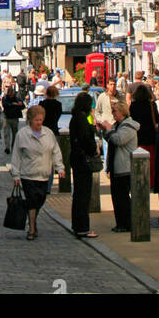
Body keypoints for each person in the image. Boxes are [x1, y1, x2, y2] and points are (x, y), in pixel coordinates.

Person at [10, 102, 64, 240]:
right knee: (32, 200)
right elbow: (16, 155)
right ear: (30, 120)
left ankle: (32, 220)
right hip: (28, 174)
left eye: (41, 120)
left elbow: (55, 151)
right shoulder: (22, 134)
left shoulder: (48, 133)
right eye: (36, 120)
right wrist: (15, 174)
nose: (39, 123)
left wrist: (59, 167)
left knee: (40, 200)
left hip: (44, 174)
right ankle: (32, 228)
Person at [101, 99, 140, 232]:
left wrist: (108, 130)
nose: (113, 114)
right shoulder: (118, 125)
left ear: (122, 112)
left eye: (115, 111)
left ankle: (127, 224)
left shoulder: (128, 126)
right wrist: (105, 131)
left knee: (122, 198)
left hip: (125, 167)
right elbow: (111, 139)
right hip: (116, 166)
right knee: (117, 197)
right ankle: (121, 223)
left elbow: (118, 140)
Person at [69, 91, 99, 238]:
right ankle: (82, 227)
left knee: (79, 194)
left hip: (76, 159)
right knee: (83, 194)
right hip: (83, 160)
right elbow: (86, 140)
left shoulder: (75, 118)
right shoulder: (81, 119)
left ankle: (77, 225)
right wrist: (94, 149)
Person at [129, 81, 158, 188]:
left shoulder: (133, 106)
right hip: (150, 136)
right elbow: (157, 119)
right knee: (151, 161)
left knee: (138, 161)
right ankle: (151, 182)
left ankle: (139, 181)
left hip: (138, 136)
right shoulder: (151, 105)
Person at [2, 84, 24, 154]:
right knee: (6, 133)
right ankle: (7, 147)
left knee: (15, 133)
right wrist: (14, 104)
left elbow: (22, 106)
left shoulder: (17, 98)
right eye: (10, 93)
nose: (11, 94)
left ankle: (13, 146)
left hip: (15, 118)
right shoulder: (5, 98)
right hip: (7, 118)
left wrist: (19, 104)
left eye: (12, 93)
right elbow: (5, 105)